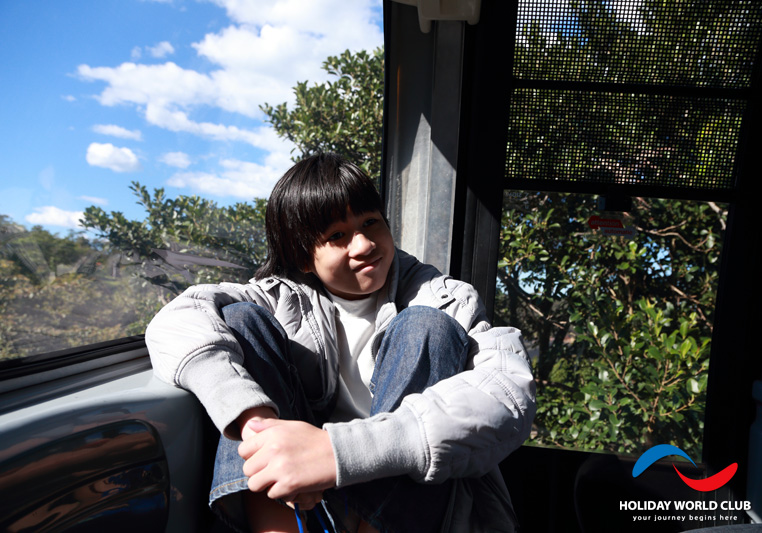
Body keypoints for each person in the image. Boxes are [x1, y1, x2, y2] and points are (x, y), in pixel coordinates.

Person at [145, 153, 536, 533]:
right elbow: (175, 322)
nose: (363, 244)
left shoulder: (444, 299)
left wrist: (335, 452)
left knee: (428, 327)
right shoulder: (279, 298)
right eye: (337, 235)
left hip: (399, 504)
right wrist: (257, 423)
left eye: (371, 222)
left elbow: (507, 394)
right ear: (303, 257)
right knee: (239, 320)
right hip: (305, 497)